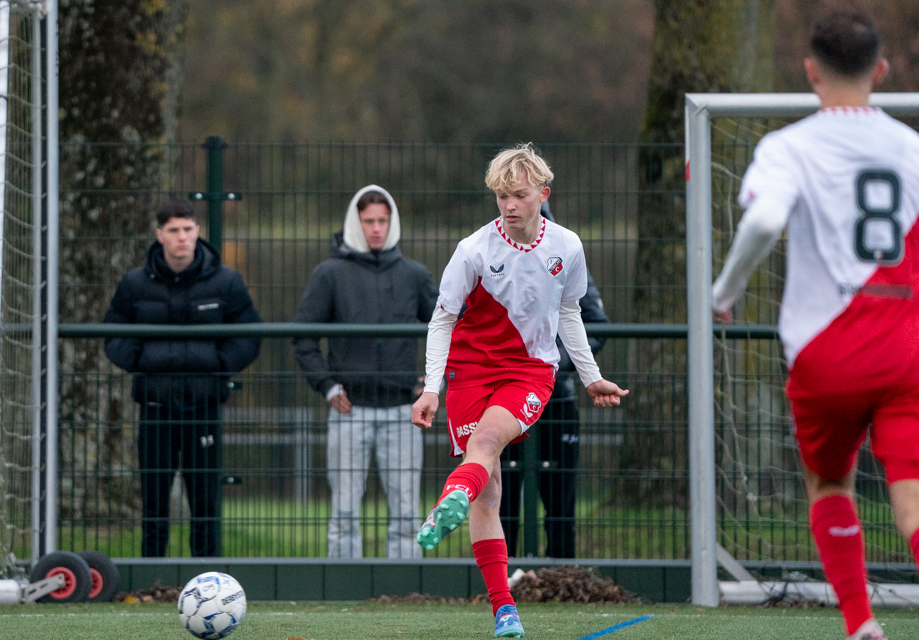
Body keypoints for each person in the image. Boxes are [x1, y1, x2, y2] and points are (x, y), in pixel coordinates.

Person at [711, 10, 919, 640]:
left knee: (828, 482)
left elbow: (765, 222)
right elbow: (915, 248)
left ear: (811, 70)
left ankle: (861, 625)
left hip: (830, 350)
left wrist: (726, 290)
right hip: (913, 346)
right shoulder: (918, 151)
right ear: (879, 70)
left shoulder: (788, 147)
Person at [412, 144, 628, 638]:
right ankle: (504, 610)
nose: (509, 206)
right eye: (501, 197)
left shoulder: (568, 247)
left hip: (530, 371)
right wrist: (431, 389)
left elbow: (571, 313)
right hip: (469, 371)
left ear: (542, 196)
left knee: (486, 443)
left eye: (518, 196)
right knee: (488, 493)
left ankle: (448, 499)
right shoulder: (473, 251)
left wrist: (591, 376)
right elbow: (442, 320)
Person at [104, 198, 262, 558]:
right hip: (155, 406)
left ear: (197, 232)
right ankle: (152, 575)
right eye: (173, 230)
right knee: (154, 498)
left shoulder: (226, 281)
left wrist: (219, 364)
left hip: (204, 405)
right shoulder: (134, 283)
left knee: (205, 500)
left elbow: (250, 334)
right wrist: (142, 361)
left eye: (188, 229)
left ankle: (208, 577)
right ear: (160, 235)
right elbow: (113, 333)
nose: (181, 237)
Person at [294, 185, 438, 559]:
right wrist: (326, 386)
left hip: (402, 411)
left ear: (392, 222)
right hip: (349, 410)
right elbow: (302, 337)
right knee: (343, 512)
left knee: (408, 514)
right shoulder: (329, 275)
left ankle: (407, 590)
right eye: (369, 221)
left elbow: (446, 329)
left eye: (383, 220)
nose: (376, 228)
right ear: (355, 223)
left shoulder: (414, 274)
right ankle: (345, 589)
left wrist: (432, 381)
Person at [498, 200, 609, 559]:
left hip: (556, 398)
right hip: (507, 400)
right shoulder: (488, 253)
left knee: (560, 497)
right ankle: (504, 578)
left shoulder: (567, 252)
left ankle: (561, 576)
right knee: (503, 495)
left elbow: (596, 325)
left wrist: (552, 363)